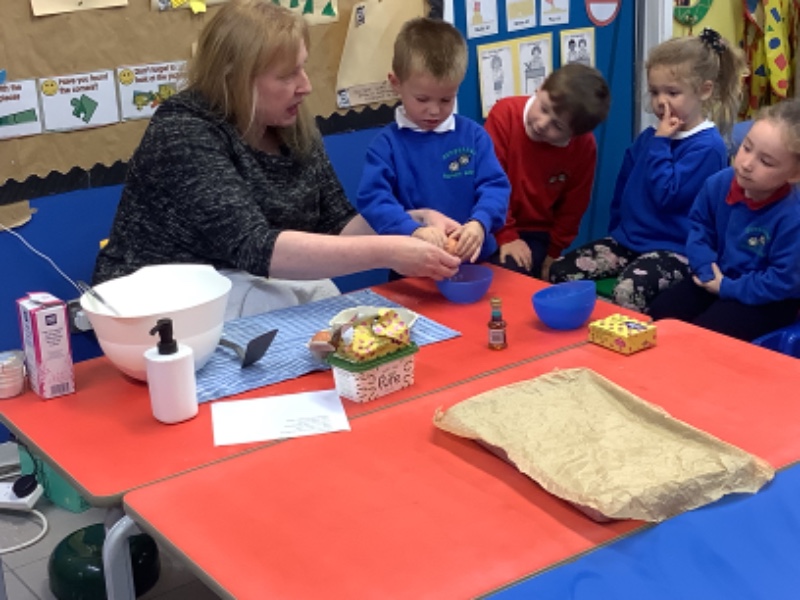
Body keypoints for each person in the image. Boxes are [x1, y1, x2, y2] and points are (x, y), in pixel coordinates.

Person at [92, 0, 459, 318]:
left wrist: (412, 221)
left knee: (333, 308)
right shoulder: (183, 131)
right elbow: (255, 247)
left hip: (250, 287)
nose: (306, 86)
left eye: (303, 67)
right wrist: (392, 251)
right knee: (286, 303)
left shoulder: (290, 125)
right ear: (235, 78)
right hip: (161, 307)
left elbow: (338, 224)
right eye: (287, 75)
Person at [549, 28, 747, 312]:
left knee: (627, 293)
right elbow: (623, 187)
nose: (660, 102)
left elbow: (667, 195)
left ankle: (626, 338)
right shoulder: (650, 138)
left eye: (672, 92)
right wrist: (617, 232)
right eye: (655, 92)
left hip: (675, 249)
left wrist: (661, 143)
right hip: (628, 241)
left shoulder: (707, 147)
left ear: (704, 90)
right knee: (560, 272)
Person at [356, 17, 510, 265]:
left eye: (446, 100)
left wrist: (480, 222)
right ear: (396, 83)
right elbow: (374, 200)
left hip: (477, 260)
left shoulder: (474, 136)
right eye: (422, 99)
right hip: (415, 262)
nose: (434, 111)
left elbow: (495, 187)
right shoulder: (386, 146)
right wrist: (412, 229)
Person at [648, 100, 800, 341]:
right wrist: (707, 271)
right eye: (746, 148)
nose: (747, 164)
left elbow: (783, 281)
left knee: (705, 335)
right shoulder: (718, 184)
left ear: (794, 174)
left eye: (766, 162)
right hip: (718, 277)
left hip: (769, 297)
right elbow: (699, 229)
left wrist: (726, 287)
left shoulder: (793, 216)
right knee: (662, 311)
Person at [485, 63, 610, 280]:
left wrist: (554, 251)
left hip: (537, 233)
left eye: (557, 127)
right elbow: (489, 182)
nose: (542, 124)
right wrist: (506, 235)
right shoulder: (505, 114)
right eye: (543, 108)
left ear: (574, 135)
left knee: (533, 274)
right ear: (540, 87)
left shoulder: (583, 146)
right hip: (491, 220)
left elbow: (574, 205)